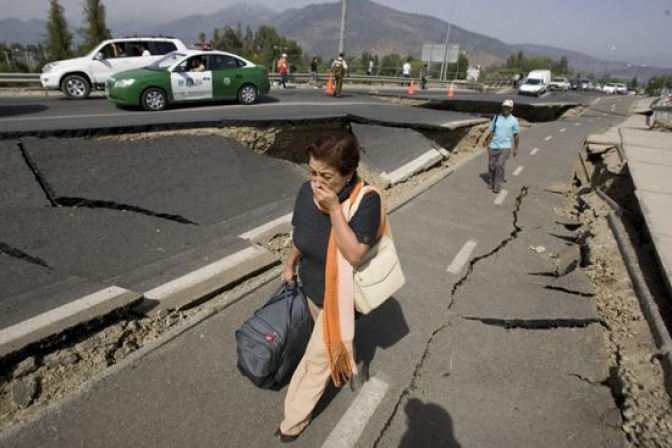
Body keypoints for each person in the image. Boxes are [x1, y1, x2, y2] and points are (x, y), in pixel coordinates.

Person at [276, 132, 382, 443]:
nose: (317, 182)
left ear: (348, 173)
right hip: (311, 285)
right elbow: (301, 235)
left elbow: (354, 253)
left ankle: (292, 422)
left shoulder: (367, 201)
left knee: (315, 359)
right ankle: (343, 352)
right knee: (326, 341)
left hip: (342, 295)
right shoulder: (304, 192)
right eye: (311, 172)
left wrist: (335, 209)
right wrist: (289, 264)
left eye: (326, 176)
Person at [484, 99, 520, 194]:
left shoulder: (514, 120)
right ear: (502, 107)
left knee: (499, 165)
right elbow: (492, 131)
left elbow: (516, 135)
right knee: (492, 166)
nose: (506, 108)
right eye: (504, 106)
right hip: (494, 145)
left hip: (506, 147)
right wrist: (488, 143)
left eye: (508, 107)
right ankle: (491, 181)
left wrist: (516, 148)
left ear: (511, 108)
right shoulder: (496, 117)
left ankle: (497, 186)